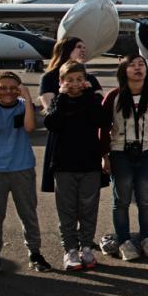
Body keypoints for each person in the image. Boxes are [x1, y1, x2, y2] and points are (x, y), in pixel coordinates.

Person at [0, 71, 50, 277]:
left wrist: (26, 99)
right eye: (1, 88)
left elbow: (29, 127)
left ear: (19, 89)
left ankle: (35, 253)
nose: (7, 92)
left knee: (28, 213)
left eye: (12, 88)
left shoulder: (22, 106)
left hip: (21, 167)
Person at [100, 55, 148, 261]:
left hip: (147, 152)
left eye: (141, 65)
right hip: (120, 152)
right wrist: (104, 155)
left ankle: (147, 238)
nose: (138, 69)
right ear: (123, 70)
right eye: (132, 65)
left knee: (147, 200)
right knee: (121, 200)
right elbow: (103, 128)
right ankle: (124, 241)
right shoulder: (113, 97)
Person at [43, 60, 105, 271]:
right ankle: (70, 250)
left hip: (89, 164)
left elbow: (100, 120)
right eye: (69, 80)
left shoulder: (91, 100)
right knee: (67, 211)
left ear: (86, 81)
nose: (75, 83)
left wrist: (89, 95)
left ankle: (86, 247)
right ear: (61, 82)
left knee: (89, 209)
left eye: (79, 79)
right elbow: (52, 123)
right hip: (64, 165)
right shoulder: (58, 102)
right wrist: (61, 96)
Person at [38, 37, 102, 197]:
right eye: (78, 47)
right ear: (66, 50)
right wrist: (64, 97)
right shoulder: (49, 78)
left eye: (84, 47)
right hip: (62, 142)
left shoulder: (91, 79)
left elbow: (100, 107)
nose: (83, 50)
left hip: (87, 140)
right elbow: (49, 110)